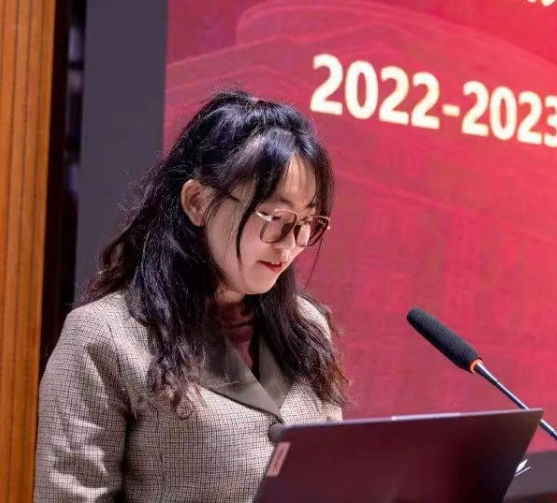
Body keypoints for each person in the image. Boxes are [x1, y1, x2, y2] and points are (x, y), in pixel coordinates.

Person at [35, 90, 348, 502]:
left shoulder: (308, 326)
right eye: (275, 217)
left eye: (308, 222)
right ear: (197, 202)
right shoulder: (104, 336)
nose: (292, 243)